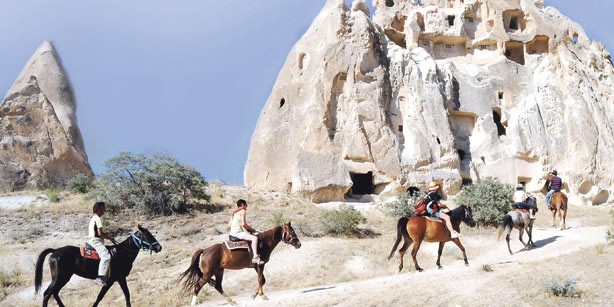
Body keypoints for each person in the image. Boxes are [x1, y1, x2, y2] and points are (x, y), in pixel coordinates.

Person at [227, 199, 264, 265]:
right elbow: (244, 224)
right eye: (246, 205)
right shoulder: (243, 211)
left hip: (231, 235)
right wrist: (252, 229)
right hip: (238, 233)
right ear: (243, 205)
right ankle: (255, 257)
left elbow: (228, 227)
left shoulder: (234, 214)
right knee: (254, 238)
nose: (246, 206)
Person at [88, 202, 117, 286]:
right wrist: (110, 238)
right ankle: (100, 277)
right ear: (99, 209)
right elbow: (100, 234)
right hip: (96, 241)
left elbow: (100, 233)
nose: (105, 210)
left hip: (93, 240)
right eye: (103, 208)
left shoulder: (93, 218)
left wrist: (108, 237)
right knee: (106, 256)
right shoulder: (98, 219)